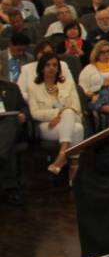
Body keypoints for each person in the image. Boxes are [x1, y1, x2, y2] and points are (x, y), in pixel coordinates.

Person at [26, 53, 83, 183]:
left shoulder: (68, 84)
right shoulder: (33, 88)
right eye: (47, 65)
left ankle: (62, 155)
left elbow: (77, 107)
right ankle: (74, 165)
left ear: (58, 68)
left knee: (69, 112)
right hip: (47, 125)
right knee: (77, 129)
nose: (51, 68)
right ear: (41, 68)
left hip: (72, 117)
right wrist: (59, 113)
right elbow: (34, 113)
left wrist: (61, 115)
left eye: (55, 65)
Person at [0, 78, 28, 205]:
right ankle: (11, 187)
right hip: (8, 137)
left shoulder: (12, 88)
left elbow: (24, 107)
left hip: (10, 125)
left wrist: (23, 114)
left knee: (11, 121)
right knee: (7, 144)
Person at [79, 39, 109, 103]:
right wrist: (92, 95)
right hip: (95, 97)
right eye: (102, 52)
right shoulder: (88, 69)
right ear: (97, 54)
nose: (106, 54)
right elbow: (82, 87)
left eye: (108, 51)